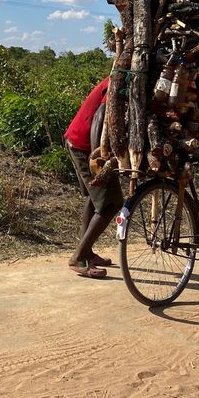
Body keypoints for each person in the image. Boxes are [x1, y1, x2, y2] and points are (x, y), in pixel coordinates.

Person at [64, 76, 123, 278]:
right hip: (84, 146)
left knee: (94, 197)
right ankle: (79, 257)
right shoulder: (121, 82)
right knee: (110, 203)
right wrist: (97, 154)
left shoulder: (120, 78)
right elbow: (100, 116)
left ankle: (86, 251)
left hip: (77, 141)